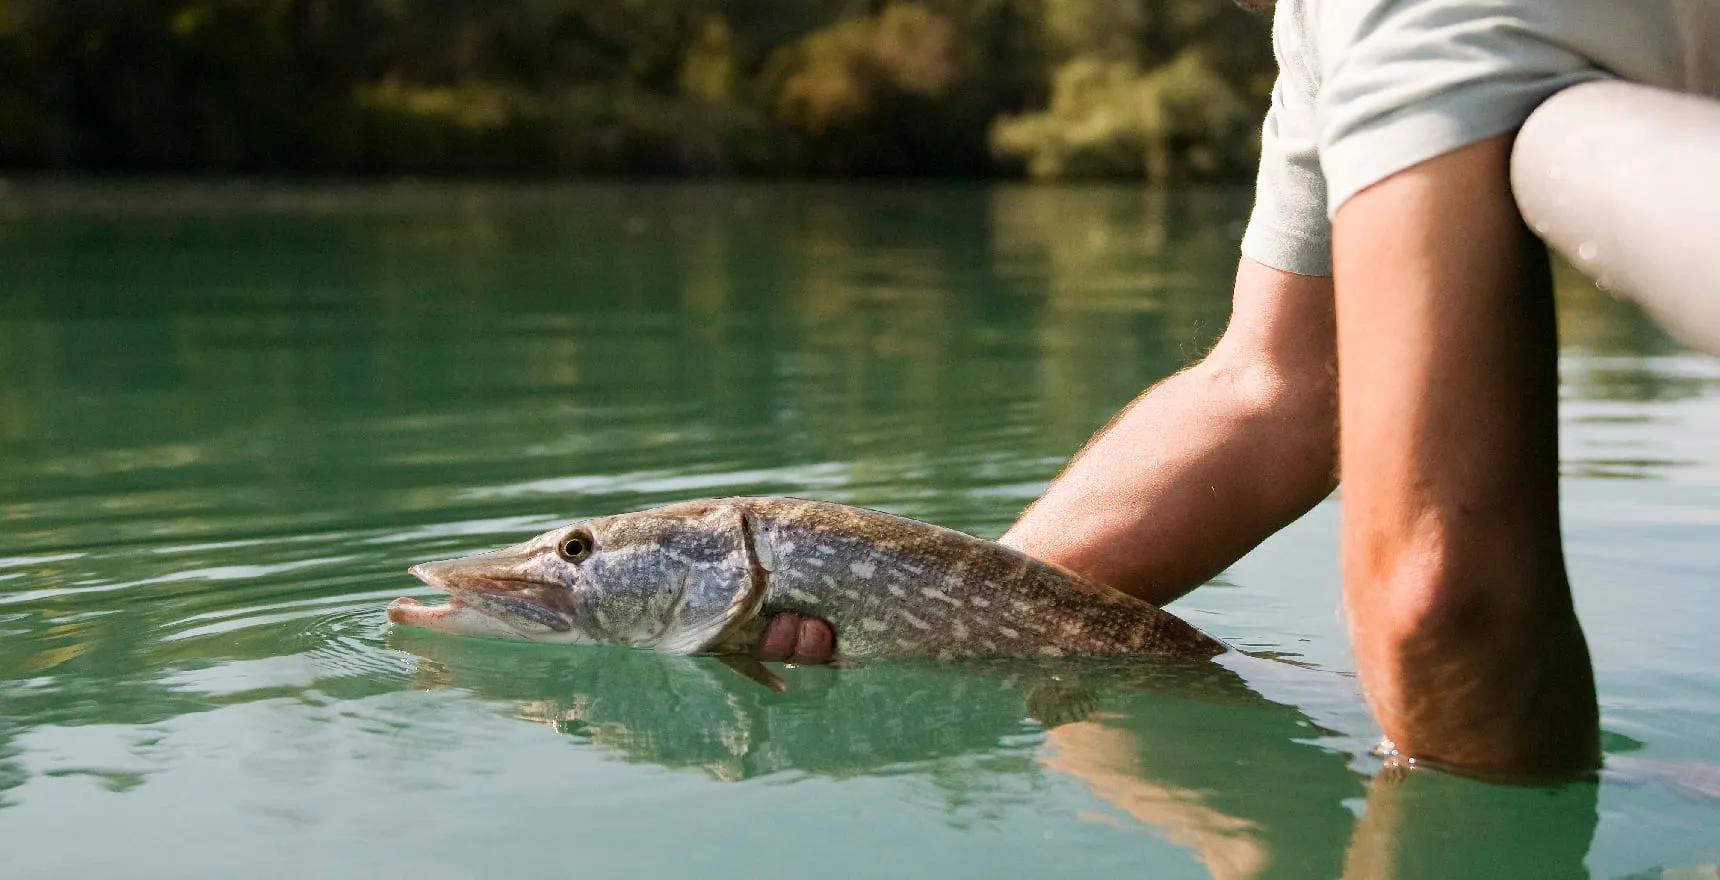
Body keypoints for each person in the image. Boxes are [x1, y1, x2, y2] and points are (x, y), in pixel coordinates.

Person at [755, 0, 1720, 781]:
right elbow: (1272, 388)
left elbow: (1441, 602)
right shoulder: (1317, 40)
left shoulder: (1401, 18)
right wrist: (943, 607)